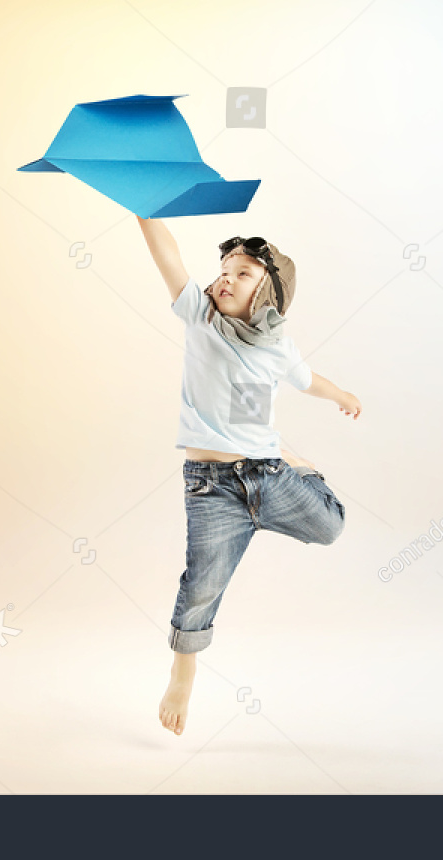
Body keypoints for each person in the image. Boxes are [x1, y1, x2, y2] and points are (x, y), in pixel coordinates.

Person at [137, 216, 362, 735]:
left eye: (242, 273)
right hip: (212, 487)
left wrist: (343, 397)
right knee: (202, 585)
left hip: (270, 475)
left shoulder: (278, 345)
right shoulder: (200, 317)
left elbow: (308, 381)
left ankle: (295, 461)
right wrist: (146, 210)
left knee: (332, 526)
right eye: (223, 270)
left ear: (268, 297)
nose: (225, 279)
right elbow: (167, 257)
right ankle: (183, 670)